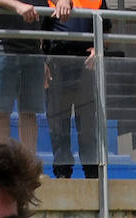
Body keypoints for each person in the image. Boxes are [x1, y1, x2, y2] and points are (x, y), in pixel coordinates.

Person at [42, 0, 103, 179]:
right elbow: (40, 30)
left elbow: (105, 29)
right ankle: (62, 174)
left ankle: (92, 175)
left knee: (88, 126)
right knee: (58, 124)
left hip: (87, 65)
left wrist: (97, 48)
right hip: (56, 63)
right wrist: (42, 60)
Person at [0, 0, 45, 154]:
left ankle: (28, 167)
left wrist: (64, 2)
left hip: (33, 48)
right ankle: (0, 167)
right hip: (3, 46)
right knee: (0, 111)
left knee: (29, 112)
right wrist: (17, 5)